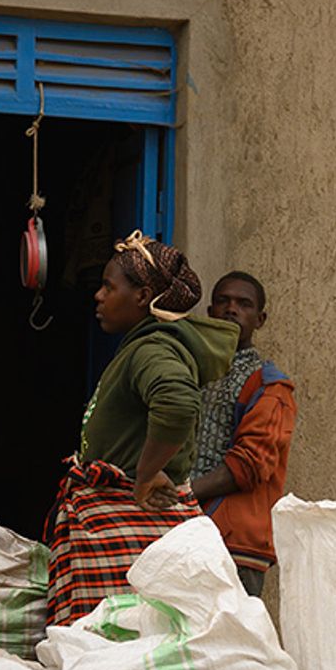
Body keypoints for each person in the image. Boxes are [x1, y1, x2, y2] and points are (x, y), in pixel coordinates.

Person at [44, 232, 237, 626]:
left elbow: (179, 401)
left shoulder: (154, 349)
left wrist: (147, 474)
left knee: (112, 650)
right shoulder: (142, 347)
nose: (98, 296)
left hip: (131, 527)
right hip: (125, 527)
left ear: (142, 295)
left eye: (108, 287)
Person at [187, 272, 296, 597]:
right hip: (186, 533)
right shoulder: (193, 372)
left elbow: (248, 466)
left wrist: (183, 494)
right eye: (223, 301)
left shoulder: (270, 387)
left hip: (234, 544)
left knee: (229, 644)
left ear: (260, 319)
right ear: (209, 311)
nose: (231, 309)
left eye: (244, 304)